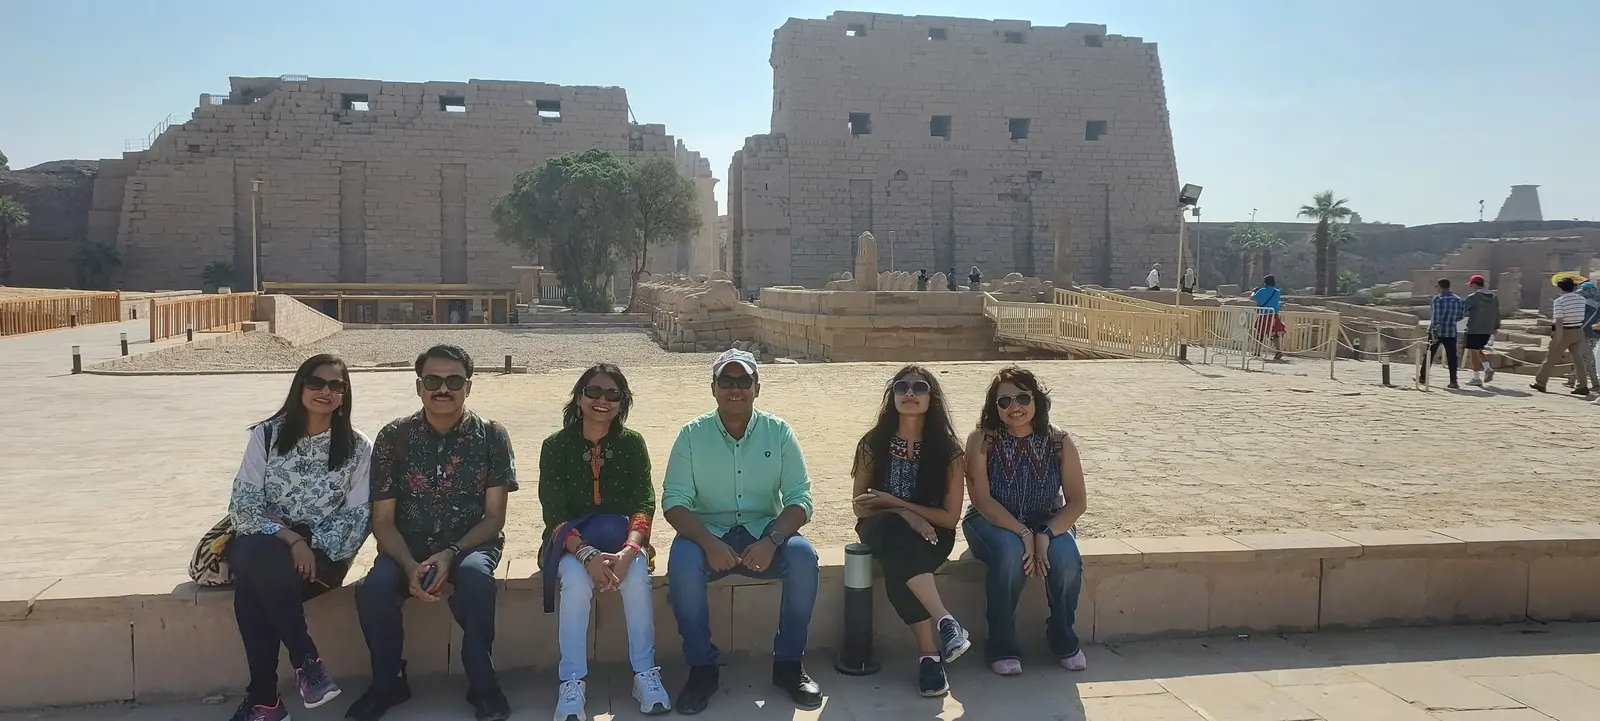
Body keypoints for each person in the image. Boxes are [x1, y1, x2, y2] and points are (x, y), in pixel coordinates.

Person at [348, 345, 517, 721]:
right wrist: (409, 565)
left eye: (454, 381)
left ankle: (483, 686)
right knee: (375, 590)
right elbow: (382, 520)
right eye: (433, 381)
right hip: (406, 547)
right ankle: (387, 684)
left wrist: (451, 552)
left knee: (476, 581)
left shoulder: (492, 436)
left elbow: (494, 518)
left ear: (468, 386)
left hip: (471, 544)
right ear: (419, 386)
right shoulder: (394, 436)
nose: (443, 389)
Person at [662, 349, 821, 714]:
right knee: (683, 563)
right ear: (713, 388)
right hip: (708, 533)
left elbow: (800, 498)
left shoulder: (778, 433)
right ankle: (702, 669)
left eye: (743, 381)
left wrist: (772, 541)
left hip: (764, 531)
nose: (735, 388)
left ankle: (789, 664)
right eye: (726, 381)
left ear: (757, 388)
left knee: (803, 557)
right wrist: (708, 543)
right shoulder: (691, 435)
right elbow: (674, 501)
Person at [226, 355, 373, 721]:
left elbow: (355, 522)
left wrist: (308, 543)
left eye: (336, 385)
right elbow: (243, 507)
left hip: (321, 557)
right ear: (300, 386)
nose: (325, 391)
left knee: (252, 587)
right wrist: (291, 540)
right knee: (264, 556)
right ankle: (306, 660)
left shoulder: (357, 448)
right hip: (264, 542)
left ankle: (265, 702)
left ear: (345, 394)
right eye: (316, 382)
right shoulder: (267, 435)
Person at [539, 364, 671, 719]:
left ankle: (645, 673)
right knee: (576, 583)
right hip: (570, 543)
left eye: (613, 395)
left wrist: (629, 552)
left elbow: (644, 501)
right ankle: (572, 681)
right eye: (593, 392)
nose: (602, 401)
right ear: (579, 398)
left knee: (637, 577)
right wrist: (585, 554)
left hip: (622, 541)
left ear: (622, 402)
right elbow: (554, 512)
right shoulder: (555, 446)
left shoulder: (632, 444)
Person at [851, 366, 969, 697]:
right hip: (880, 526)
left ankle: (930, 656)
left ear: (932, 398)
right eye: (901, 387)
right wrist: (902, 512)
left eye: (920, 387)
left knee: (899, 563)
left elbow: (950, 518)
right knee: (896, 533)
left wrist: (897, 504)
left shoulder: (949, 452)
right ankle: (945, 622)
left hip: (933, 534)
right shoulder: (873, 444)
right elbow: (860, 507)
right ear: (893, 397)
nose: (910, 393)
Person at [963, 366, 1088, 677]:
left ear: (1037, 400)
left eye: (1022, 398)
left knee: (1066, 558)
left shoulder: (1059, 441)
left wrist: (1043, 533)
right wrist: (1022, 533)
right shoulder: (981, 440)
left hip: (1048, 521)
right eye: (1004, 401)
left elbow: (1077, 502)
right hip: (991, 521)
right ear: (995, 407)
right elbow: (982, 500)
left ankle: (1062, 635)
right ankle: (1001, 644)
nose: (1014, 407)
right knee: (1010, 554)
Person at [1531, 277, 1591, 396]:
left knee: (1551, 358)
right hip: (1578, 331)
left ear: (1560, 288)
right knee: (1578, 360)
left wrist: (1558, 337)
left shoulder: (1560, 301)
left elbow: (1559, 321)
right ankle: (1583, 385)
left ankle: (1541, 382)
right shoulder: (1582, 299)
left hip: (1565, 331)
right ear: (1574, 287)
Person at [1426, 278, 1468, 389]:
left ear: (1440, 287)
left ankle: (1423, 377)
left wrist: (1435, 332)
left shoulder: (1438, 299)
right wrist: (1451, 320)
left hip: (1437, 331)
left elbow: (1436, 316)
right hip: (1451, 331)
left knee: (1429, 354)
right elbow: (1461, 316)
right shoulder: (1458, 300)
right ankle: (1453, 381)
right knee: (1452, 357)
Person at [1462, 275, 1500, 386]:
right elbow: (1497, 313)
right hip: (1488, 329)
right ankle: (1487, 368)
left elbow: (1463, 310)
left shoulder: (1473, 297)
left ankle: (1476, 378)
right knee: (1478, 350)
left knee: (1474, 353)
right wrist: (1495, 327)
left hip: (1475, 328)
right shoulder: (1494, 297)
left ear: (1474, 284)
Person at [1251, 275, 1286, 361]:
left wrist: (1253, 292)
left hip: (1264, 315)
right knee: (1275, 334)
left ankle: (1257, 351)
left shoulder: (1262, 291)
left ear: (1265, 282)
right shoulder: (1277, 292)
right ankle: (1278, 351)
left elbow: (1252, 298)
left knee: (1260, 333)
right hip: (1274, 315)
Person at [1578, 281, 1600, 394]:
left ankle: (1595, 384)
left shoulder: (1587, 305)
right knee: (1584, 357)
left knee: (1587, 359)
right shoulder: (1597, 303)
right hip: (1595, 334)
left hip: (1586, 334)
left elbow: (1584, 321)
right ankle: (1573, 379)